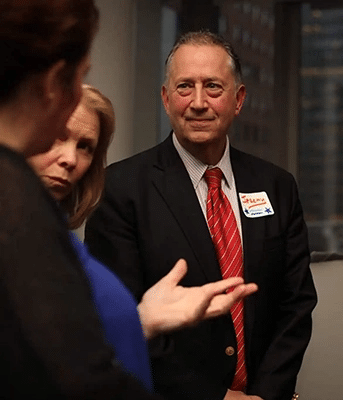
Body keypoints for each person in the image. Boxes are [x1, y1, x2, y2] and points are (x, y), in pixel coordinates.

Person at [85, 30, 318, 400]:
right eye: (183, 87)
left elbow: (296, 303)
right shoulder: (121, 189)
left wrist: (264, 394)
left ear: (238, 99)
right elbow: (121, 317)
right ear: (165, 99)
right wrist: (217, 397)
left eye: (213, 87)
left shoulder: (277, 186)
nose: (197, 102)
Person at [27, 84, 258, 390]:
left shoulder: (58, 244)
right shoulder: (18, 241)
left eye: (85, 147)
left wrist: (143, 320)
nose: (70, 158)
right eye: (58, 137)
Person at [0, 1, 163, 397]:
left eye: (86, 147)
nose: (70, 160)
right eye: (81, 77)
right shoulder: (16, 208)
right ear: (56, 82)